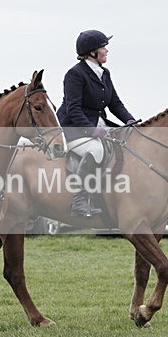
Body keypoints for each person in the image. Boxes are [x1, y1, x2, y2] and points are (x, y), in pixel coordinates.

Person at [57, 30, 138, 217]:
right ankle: (80, 200)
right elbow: (73, 109)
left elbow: (115, 103)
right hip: (74, 128)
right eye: (103, 47)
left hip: (99, 125)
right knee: (96, 150)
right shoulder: (75, 74)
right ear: (92, 52)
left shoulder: (104, 73)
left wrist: (130, 120)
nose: (107, 50)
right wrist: (91, 130)